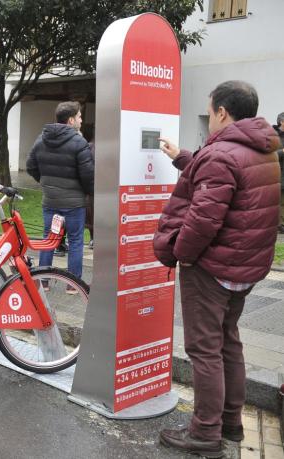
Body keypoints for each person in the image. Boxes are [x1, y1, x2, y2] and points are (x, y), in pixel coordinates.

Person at [154, 81, 281, 458]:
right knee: (229, 343)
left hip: (211, 269)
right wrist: (183, 157)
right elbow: (226, 178)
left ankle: (204, 433)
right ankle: (230, 423)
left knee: (204, 349)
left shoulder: (221, 154)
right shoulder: (263, 150)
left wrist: (182, 254)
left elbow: (203, 219)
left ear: (222, 112)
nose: (210, 118)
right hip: (243, 268)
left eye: (209, 112)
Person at [26, 101, 94, 287]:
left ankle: (43, 282)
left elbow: (30, 166)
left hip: (50, 201)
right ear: (71, 120)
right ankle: (74, 285)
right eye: (80, 116)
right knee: (75, 241)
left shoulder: (41, 139)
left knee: (48, 239)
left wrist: (46, 182)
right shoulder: (79, 142)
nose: (81, 120)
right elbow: (88, 175)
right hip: (74, 204)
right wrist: (89, 192)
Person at [273, 112, 284, 233]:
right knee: (278, 201)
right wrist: (282, 152)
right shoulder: (273, 135)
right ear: (281, 121)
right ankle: (279, 225)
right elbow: (270, 153)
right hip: (277, 172)